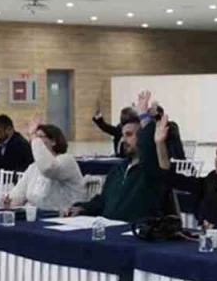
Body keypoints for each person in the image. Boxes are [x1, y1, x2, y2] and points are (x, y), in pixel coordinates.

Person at [65, 92, 165, 221]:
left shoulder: (152, 169)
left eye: (129, 135)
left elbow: (149, 146)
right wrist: (81, 208)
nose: (123, 140)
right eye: (123, 135)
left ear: (143, 136)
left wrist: (144, 117)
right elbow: (103, 201)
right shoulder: (118, 169)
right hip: (110, 228)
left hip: (136, 230)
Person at [2, 114, 85, 212]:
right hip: (36, 215)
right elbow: (18, 193)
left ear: (53, 141)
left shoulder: (67, 160)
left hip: (62, 217)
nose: (34, 141)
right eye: (34, 137)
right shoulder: (33, 167)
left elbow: (47, 168)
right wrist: (8, 201)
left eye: (39, 137)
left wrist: (33, 137)